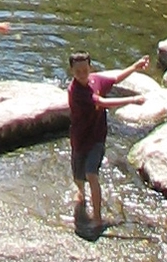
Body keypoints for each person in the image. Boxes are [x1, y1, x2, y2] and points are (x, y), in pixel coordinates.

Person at [67, 51, 150, 226]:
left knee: (91, 174)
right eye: (77, 71)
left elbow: (115, 79)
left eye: (84, 69)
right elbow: (101, 103)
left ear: (90, 67)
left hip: (97, 137)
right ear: (71, 71)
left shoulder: (95, 80)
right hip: (79, 139)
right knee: (78, 177)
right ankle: (81, 193)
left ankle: (97, 217)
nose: (82, 74)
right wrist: (133, 99)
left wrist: (135, 67)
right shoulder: (76, 91)